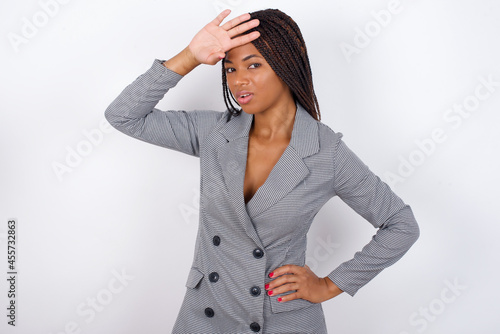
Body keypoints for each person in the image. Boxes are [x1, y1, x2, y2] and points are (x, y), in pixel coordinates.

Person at [104, 8, 420, 334]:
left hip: (282, 320)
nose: (239, 80)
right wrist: (190, 56)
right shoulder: (214, 132)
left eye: (254, 65)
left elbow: (401, 225)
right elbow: (124, 116)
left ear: (285, 65)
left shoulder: (326, 153)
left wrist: (330, 284)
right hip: (204, 316)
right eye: (230, 69)